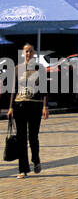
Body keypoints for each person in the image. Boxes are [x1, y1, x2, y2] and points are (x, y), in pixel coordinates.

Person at [7, 44, 48, 177]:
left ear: (34, 53)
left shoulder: (39, 69)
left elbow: (44, 89)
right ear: (23, 53)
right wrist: (10, 107)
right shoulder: (17, 69)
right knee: (21, 138)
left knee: (33, 137)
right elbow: (13, 89)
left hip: (35, 105)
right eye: (26, 51)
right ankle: (23, 169)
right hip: (20, 105)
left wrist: (45, 106)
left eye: (31, 51)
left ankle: (36, 160)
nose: (29, 53)